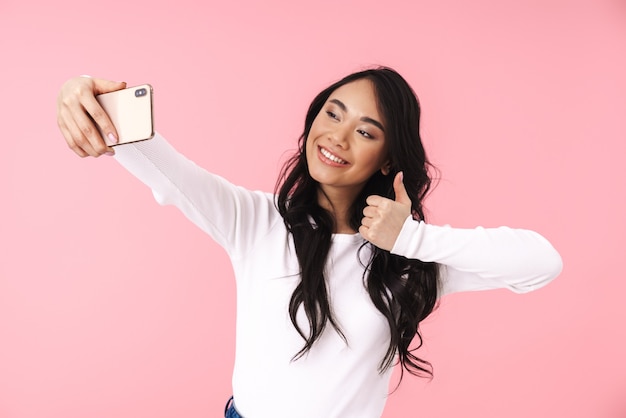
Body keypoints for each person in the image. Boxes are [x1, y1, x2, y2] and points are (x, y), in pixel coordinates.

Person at [56, 67, 562, 418]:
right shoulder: (255, 221)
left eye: (366, 131)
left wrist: (411, 237)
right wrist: (83, 92)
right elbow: (164, 169)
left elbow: (542, 263)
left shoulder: (409, 262)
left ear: (388, 160)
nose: (337, 137)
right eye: (333, 113)